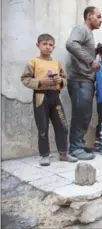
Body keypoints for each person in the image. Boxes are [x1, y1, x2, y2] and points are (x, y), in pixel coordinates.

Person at [20, 34, 78, 166]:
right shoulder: (33, 62)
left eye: (50, 45)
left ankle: (63, 153)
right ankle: (45, 155)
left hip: (55, 97)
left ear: (54, 47)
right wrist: (40, 82)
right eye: (45, 44)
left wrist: (60, 81)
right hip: (40, 97)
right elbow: (25, 79)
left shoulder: (57, 63)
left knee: (62, 125)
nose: (48, 47)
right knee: (43, 127)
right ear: (38, 45)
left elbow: (65, 79)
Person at [65, 6, 102, 160]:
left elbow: (80, 48)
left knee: (85, 115)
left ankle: (79, 144)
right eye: (98, 16)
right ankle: (75, 148)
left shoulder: (88, 33)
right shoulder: (81, 29)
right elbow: (71, 44)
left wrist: (95, 51)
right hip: (79, 80)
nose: (101, 20)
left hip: (85, 80)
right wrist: (91, 60)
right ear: (89, 16)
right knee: (80, 115)